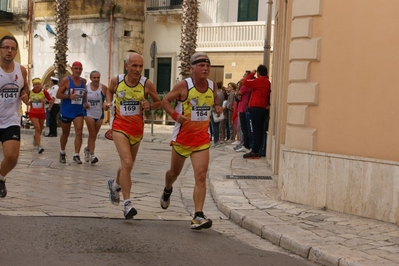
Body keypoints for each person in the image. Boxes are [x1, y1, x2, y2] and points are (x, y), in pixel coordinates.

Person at [160, 52, 222, 230]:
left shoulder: (212, 86)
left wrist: (217, 107)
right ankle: (167, 188)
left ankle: (198, 215)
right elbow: (165, 101)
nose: (205, 68)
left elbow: (215, 101)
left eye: (208, 65)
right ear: (192, 68)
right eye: (201, 65)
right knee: (174, 173)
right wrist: (175, 115)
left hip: (201, 139)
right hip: (182, 139)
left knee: (201, 177)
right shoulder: (183, 86)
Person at [105, 52, 161, 219]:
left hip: (137, 130)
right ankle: (127, 204)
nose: (138, 70)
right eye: (134, 66)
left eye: (140, 66)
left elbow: (159, 102)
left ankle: (115, 185)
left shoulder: (146, 84)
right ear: (126, 66)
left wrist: (149, 106)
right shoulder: (117, 81)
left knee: (127, 165)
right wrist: (108, 102)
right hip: (119, 127)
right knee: (127, 162)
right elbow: (109, 90)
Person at [0, 35, 29, 198]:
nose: (9, 51)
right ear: (0, 50)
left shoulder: (21, 70)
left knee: (12, 157)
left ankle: (0, 178)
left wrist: (25, 95)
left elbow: (26, 89)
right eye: (6, 48)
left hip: (11, 119)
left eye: (13, 48)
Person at [56, 61, 89, 164]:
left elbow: (84, 93)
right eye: (76, 69)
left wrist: (85, 102)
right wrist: (68, 96)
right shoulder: (66, 81)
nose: (78, 71)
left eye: (80, 69)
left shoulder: (84, 81)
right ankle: (62, 152)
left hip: (78, 111)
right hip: (67, 110)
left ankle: (76, 154)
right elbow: (58, 95)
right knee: (65, 133)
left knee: (79, 132)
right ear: (72, 69)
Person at [242, 65, 271, 159]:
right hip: (262, 108)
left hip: (256, 108)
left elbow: (245, 82)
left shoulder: (259, 81)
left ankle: (255, 151)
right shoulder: (267, 82)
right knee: (260, 130)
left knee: (255, 130)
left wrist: (251, 73)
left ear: (258, 73)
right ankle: (259, 150)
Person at [83, 70, 108, 164]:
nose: (96, 79)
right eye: (94, 78)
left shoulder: (103, 88)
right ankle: (92, 155)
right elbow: (82, 100)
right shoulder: (86, 88)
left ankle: (87, 149)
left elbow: (108, 98)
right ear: (90, 78)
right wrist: (84, 104)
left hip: (99, 114)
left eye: (98, 78)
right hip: (88, 113)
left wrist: (106, 104)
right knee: (92, 133)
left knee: (94, 135)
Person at [28, 78, 53, 154]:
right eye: (36, 84)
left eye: (39, 84)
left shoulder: (44, 92)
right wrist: (27, 102)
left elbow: (51, 100)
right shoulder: (30, 92)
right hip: (33, 113)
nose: (37, 86)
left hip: (41, 113)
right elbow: (26, 100)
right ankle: (39, 146)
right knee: (37, 127)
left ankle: (36, 137)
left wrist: (46, 101)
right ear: (33, 85)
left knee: (40, 129)